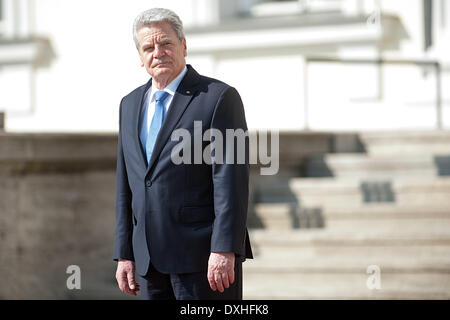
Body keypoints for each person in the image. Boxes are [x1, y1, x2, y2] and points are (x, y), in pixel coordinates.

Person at [113, 8, 253, 300]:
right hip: (148, 262)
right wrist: (124, 253)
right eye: (149, 47)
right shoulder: (129, 104)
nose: (158, 52)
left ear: (184, 46)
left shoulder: (218, 98)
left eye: (166, 43)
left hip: (202, 260)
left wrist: (224, 248)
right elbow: (126, 186)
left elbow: (231, 181)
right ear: (140, 57)